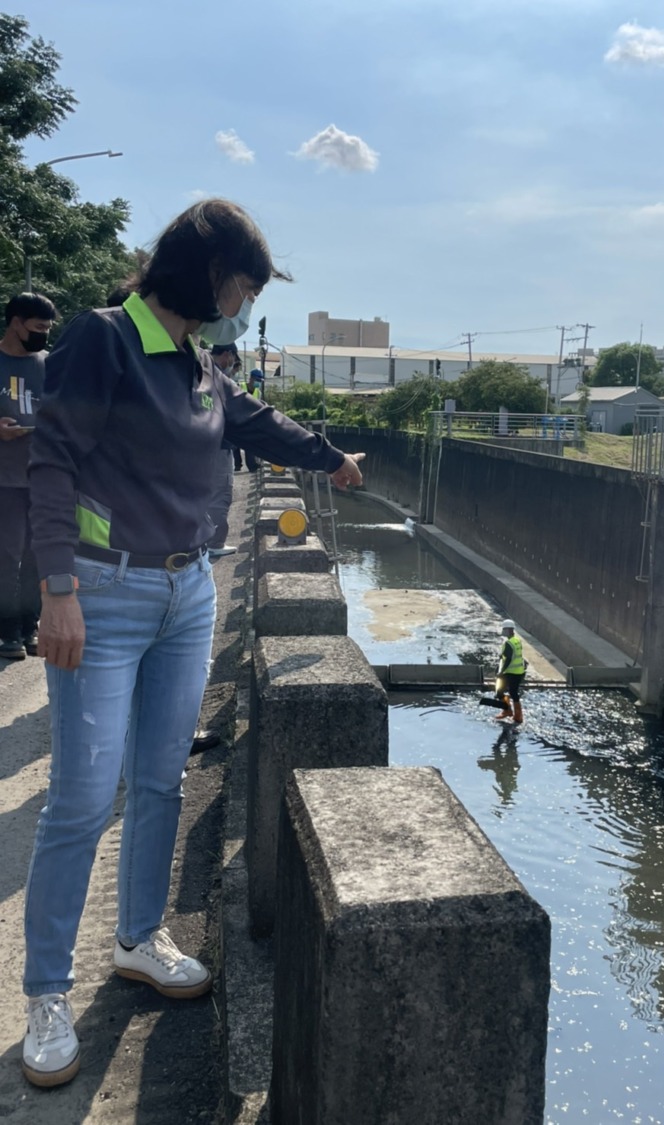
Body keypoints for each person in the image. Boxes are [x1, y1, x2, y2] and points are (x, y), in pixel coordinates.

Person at [21, 198, 365, 1088]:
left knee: (161, 779)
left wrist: (329, 455)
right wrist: (56, 589)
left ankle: (138, 938)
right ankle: (46, 992)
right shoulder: (103, 339)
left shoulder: (200, 360)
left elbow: (250, 421)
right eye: (243, 285)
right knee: (82, 795)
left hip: (188, 592)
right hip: (102, 592)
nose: (244, 303)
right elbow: (52, 460)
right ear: (205, 271)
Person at [0, 293, 58, 660]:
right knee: (6, 556)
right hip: (4, 479)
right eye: (38, 328)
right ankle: (7, 631)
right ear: (16, 323)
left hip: (41, 474)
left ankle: (29, 625)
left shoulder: (48, 364)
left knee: (38, 555)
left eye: (48, 329)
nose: (43, 336)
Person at [207, 342, 240, 557]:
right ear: (227, 355)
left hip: (205, 446)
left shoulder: (199, 370)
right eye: (233, 360)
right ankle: (214, 543)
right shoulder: (218, 378)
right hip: (220, 446)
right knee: (221, 494)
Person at [494, 618, 526, 723]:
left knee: (499, 692)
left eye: (504, 629)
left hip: (510, 672)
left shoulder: (508, 644)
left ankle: (507, 711)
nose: (503, 631)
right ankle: (518, 716)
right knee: (513, 693)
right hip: (519, 672)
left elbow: (508, 659)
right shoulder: (517, 641)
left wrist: (501, 672)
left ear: (508, 630)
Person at [244, 369, 264, 472]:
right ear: (251, 378)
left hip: (250, 419)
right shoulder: (240, 387)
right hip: (237, 416)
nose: (258, 382)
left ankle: (252, 466)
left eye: (260, 381)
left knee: (250, 443)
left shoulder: (258, 393)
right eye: (257, 380)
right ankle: (237, 464)